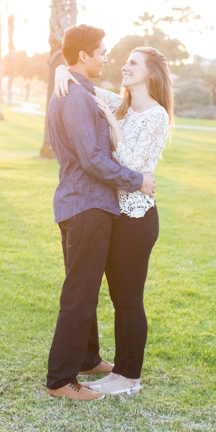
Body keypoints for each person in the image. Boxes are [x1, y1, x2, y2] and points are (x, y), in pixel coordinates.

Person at [53, 46, 174, 397]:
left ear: (149, 73)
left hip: (137, 218)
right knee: (115, 298)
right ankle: (115, 368)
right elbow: (83, 88)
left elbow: (134, 165)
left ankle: (128, 376)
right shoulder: (118, 103)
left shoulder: (156, 115)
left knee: (129, 300)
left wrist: (113, 127)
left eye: (133, 63)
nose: (124, 66)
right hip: (113, 216)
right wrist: (63, 70)